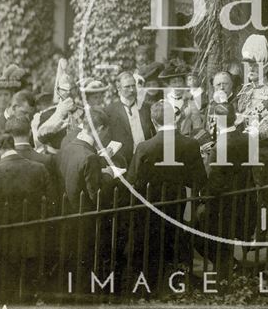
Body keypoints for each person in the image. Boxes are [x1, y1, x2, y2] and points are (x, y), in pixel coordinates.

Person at [127, 100, 207, 279]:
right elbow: (200, 180)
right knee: (175, 239)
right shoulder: (191, 144)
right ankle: (179, 275)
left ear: (154, 123)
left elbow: (133, 181)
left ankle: (155, 279)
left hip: (151, 206)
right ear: (175, 119)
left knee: (155, 245)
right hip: (180, 203)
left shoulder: (144, 147)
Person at [0, 132, 51, 297]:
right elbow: (51, 203)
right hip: (35, 240)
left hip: (3, 244)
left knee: (8, 292)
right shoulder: (39, 169)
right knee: (28, 292)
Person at [198, 102, 256, 277]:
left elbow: (215, 184)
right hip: (243, 199)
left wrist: (202, 197)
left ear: (216, 120)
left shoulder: (219, 147)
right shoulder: (248, 139)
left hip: (222, 205)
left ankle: (226, 265)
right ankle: (230, 264)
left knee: (193, 226)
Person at [236, 34, 268, 186]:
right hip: (241, 151)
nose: (250, 68)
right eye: (248, 64)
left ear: (264, 66)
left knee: (261, 196)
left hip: (262, 153)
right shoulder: (243, 91)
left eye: (254, 64)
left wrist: (260, 132)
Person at [105, 72, 154, 169]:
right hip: (123, 162)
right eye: (127, 87)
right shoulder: (110, 111)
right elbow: (106, 140)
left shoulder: (146, 108)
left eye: (133, 86)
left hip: (146, 159)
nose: (132, 90)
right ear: (119, 89)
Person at [159, 64, 204, 139]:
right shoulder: (164, 101)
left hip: (185, 140)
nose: (178, 85)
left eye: (180, 81)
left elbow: (197, 125)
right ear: (169, 84)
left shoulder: (191, 101)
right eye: (174, 82)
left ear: (184, 83)